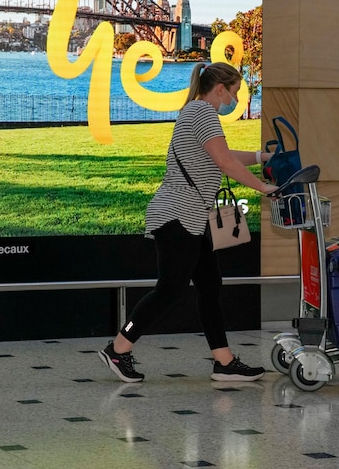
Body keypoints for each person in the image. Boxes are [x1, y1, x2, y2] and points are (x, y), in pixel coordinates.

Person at [98, 62, 279, 383]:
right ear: (220, 89)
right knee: (171, 289)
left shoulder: (193, 112)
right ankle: (118, 348)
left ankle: (223, 362)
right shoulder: (204, 113)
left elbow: (220, 153)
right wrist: (263, 187)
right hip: (178, 215)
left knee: (209, 287)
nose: (236, 99)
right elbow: (223, 160)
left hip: (192, 218)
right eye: (235, 92)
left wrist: (261, 157)